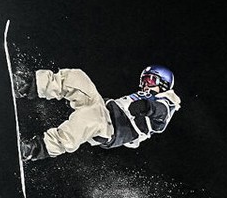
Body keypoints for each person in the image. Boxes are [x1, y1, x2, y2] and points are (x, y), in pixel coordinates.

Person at [16, 65, 180, 160]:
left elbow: (162, 117)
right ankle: (26, 85)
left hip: (113, 129)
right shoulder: (143, 95)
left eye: (151, 80)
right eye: (144, 80)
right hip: (104, 109)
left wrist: (147, 107)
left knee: (88, 119)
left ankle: (35, 149)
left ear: (164, 84)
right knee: (77, 78)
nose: (145, 84)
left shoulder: (166, 100)